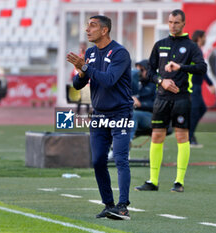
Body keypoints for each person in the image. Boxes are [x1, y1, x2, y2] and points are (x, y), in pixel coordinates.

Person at [67, 15, 133, 220]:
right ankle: (109, 204)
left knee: (121, 159)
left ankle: (123, 207)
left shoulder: (120, 53)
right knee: (97, 161)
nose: (87, 29)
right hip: (99, 115)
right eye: (87, 26)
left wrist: (85, 67)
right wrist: (80, 72)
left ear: (105, 30)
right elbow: (78, 87)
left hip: (120, 113)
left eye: (92, 26)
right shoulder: (90, 53)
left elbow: (110, 80)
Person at [135, 9, 207, 193]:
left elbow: (202, 68)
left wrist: (181, 67)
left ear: (183, 24)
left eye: (176, 22)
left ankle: (179, 182)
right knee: (156, 136)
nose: (173, 26)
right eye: (170, 22)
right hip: (161, 98)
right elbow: (150, 72)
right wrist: (162, 82)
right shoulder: (160, 45)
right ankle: (153, 181)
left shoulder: (191, 47)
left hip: (182, 98)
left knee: (181, 137)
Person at [189, 30, 216, 148]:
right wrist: (210, 83)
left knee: (201, 109)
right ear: (200, 38)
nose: (205, 39)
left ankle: (189, 133)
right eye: (204, 37)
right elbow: (200, 69)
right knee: (196, 111)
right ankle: (189, 137)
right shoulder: (195, 49)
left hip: (197, 85)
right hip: (192, 85)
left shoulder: (197, 49)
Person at [130, 60, 156, 142]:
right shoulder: (136, 84)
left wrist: (141, 104)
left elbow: (158, 105)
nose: (139, 73)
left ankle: (125, 144)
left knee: (133, 115)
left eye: (141, 70)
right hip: (135, 114)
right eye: (137, 70)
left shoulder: (155, 84)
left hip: (152, 116)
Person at [70, 42, 90, 114]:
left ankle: (87, 111)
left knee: (86, 96)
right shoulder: (78, 56)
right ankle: (78, 111)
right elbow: (75, 68)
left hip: (85, 79)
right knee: (79, 96)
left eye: (83, 46)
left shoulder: (87, 56)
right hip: (79, 77)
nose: (81, 48)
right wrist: (72, 75)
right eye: (81, 46)